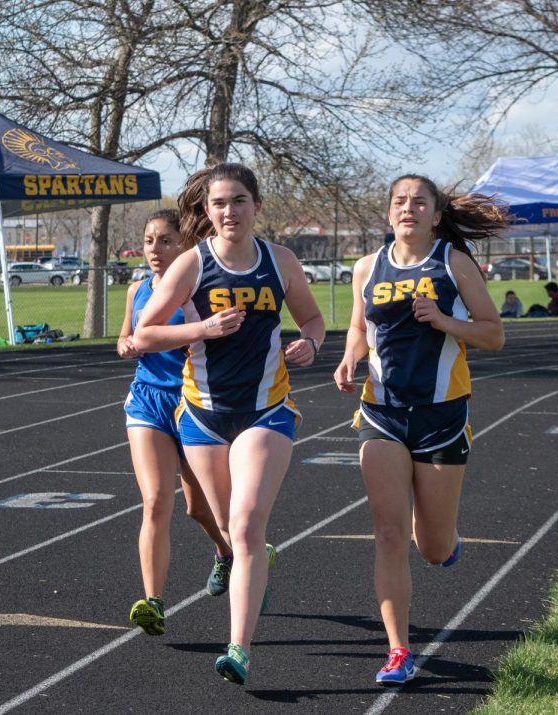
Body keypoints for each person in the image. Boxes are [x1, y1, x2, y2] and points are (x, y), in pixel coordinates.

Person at [133, 163, 325, 685]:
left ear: (256, 206)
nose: (229, 211)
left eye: (239, 200)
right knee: (227, 528)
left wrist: (311, 342)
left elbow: (312, 318)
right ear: (206, 211)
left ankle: (238, 647)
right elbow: (144, 333)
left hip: (266, 410)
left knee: (244, 526)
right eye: (219, 203)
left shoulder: (279, 261)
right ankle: (249, 561)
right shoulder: (192, 265)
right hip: (201, 416)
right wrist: (203, 327)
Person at [333, 174, 505, 686]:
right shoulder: (367, 267)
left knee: (430, 547)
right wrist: (348, 359)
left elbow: (493, 334)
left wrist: (442, 320)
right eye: (399, 201)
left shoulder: (453, 263)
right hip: (381, 412)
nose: (408, 208)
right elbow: (361, 328)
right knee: (388, 534)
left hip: (441, 415)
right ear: (389, 213)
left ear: (435, 215)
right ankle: (398, 650)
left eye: (419, 202)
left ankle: (444, 540)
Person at [117, 209, 231, 637]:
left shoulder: (200, 291)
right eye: (149, 241)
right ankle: (155, 602)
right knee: (155, 500)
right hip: (147, 400)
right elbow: (127, 335)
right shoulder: (136, 290)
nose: (155, 250)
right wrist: (127, 344)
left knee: (199, 508)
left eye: (165, 241)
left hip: (194, 401)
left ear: (184, 246)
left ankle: (228, 554)